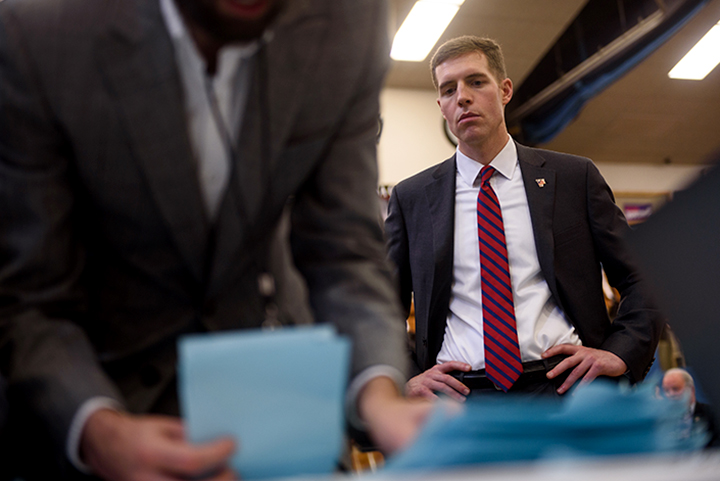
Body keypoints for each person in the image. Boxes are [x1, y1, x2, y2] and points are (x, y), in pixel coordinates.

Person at [0, 0, 431, 479]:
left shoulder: (348, 20)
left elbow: (344, 252)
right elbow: (32, 301)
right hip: (107, 402)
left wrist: (379, 395)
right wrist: (99, 431)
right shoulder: (36, 30)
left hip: (277, 402)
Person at [384, 36, 663, 401]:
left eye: (476, 82)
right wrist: (406, 378)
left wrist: (620, 352)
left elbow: (643, 275)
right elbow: (383, 307)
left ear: (505, 90)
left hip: (569, 387)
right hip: (460, 398)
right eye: (449, 89)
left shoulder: (574, 179)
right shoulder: (411, 198)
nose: (462, 97)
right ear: (441, 106)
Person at [662, 368, 720, 448]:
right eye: (666, 391)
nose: (671, 394)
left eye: (675, 389)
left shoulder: (712, 414)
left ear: (691, 389)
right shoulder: (661, 420)